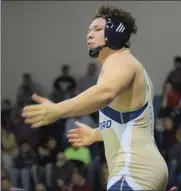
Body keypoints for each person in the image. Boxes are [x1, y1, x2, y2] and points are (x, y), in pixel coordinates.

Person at [22, 4, 171, 191]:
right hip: (145, 168)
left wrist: (58, 109)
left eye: (98, 29)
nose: (89, 34)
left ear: (115, 33)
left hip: (133, 170)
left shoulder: (120, 60)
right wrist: (96, 134)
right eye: (89, 30)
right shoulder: (125, 66)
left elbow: (105, 93)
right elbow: (130, 125)